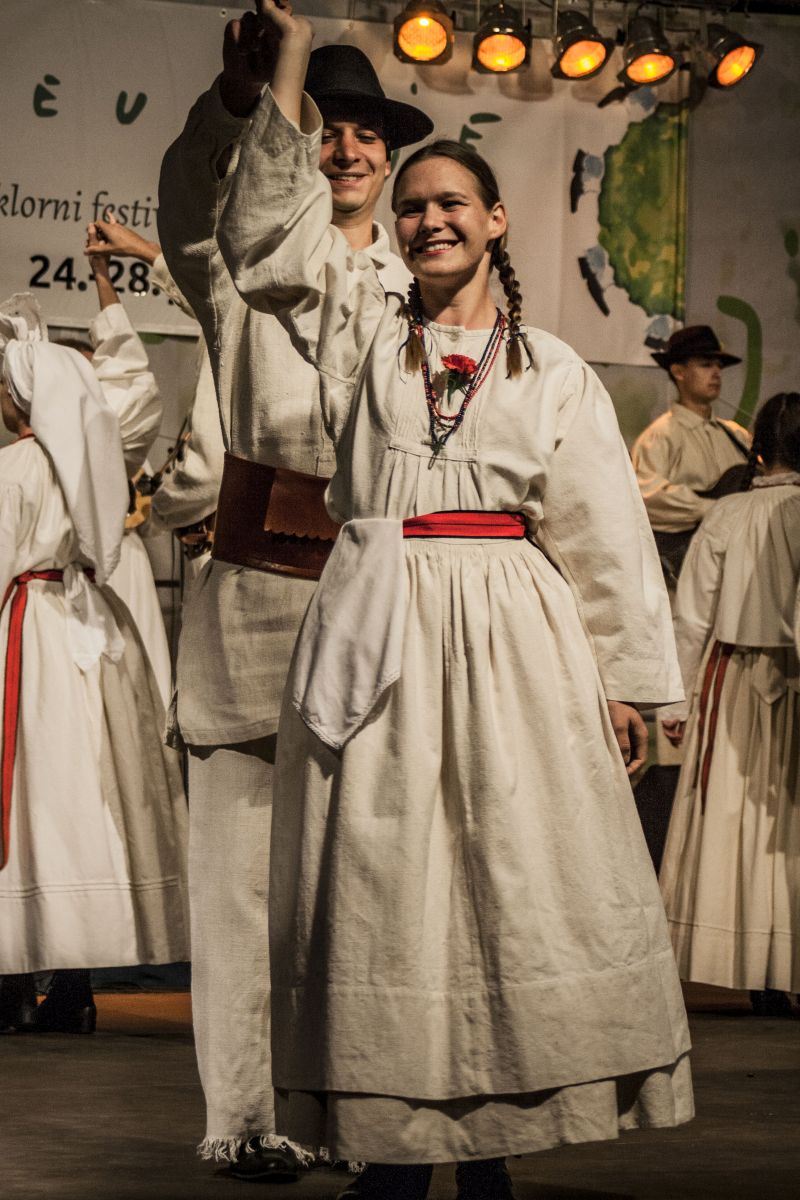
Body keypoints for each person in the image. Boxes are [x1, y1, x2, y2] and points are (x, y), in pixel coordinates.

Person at [217, 6, 693, 1197]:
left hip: (513, 642)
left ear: (492, 221)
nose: (428, 219)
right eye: (412, 206)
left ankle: (491, 1152)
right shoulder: (362, 330)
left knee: (507, 880)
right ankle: (389, 1143)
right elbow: (261, 243)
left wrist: (626, 685)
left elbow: (599, 531)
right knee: (385, 885)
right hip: (380, 631)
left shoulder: (553, 369)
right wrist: (287, 68)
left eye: (451, 204)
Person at [157, 4, 432, 1181]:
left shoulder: (422, 285)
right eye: (327, 125)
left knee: (366, 882)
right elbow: (193, 201)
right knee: (239, 884)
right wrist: (240, 101)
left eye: (369, 132)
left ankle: (347, 1111)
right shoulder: (238, 263)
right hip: (257, 595)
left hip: (379, 603)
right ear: (293, 138)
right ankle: (241, 1115)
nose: (350, 147)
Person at [0, 295, 189, 1036]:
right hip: (90, 633)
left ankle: (12, 982)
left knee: (28, 796)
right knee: (80, 792)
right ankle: (73, 986)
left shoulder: (17, 465)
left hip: (30, 629)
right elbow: (134, 393)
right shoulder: (96, 460)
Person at [658, 392, 800, 1017]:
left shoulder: (727, 514)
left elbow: (691, 617)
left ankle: (757, 967)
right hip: (782, 677)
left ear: (758, 449)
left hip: (734, 680)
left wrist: (677, 702)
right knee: (784, 824)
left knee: (737, 820)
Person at [60, 216, 173, 707]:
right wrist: (102, 274)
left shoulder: (112, 436)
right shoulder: (51, 447)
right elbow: (126, 370)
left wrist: (103, 275)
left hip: (118, 567)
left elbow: (126, 373)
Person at [632, 325, 751, 586]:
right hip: (688, 570)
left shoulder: (737, 435)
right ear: (678, 371)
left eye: (719, 366)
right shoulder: (660, 435)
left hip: (737, 566)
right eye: (706, 364)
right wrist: (712, 509)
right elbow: (646, 496)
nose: (716, 373)